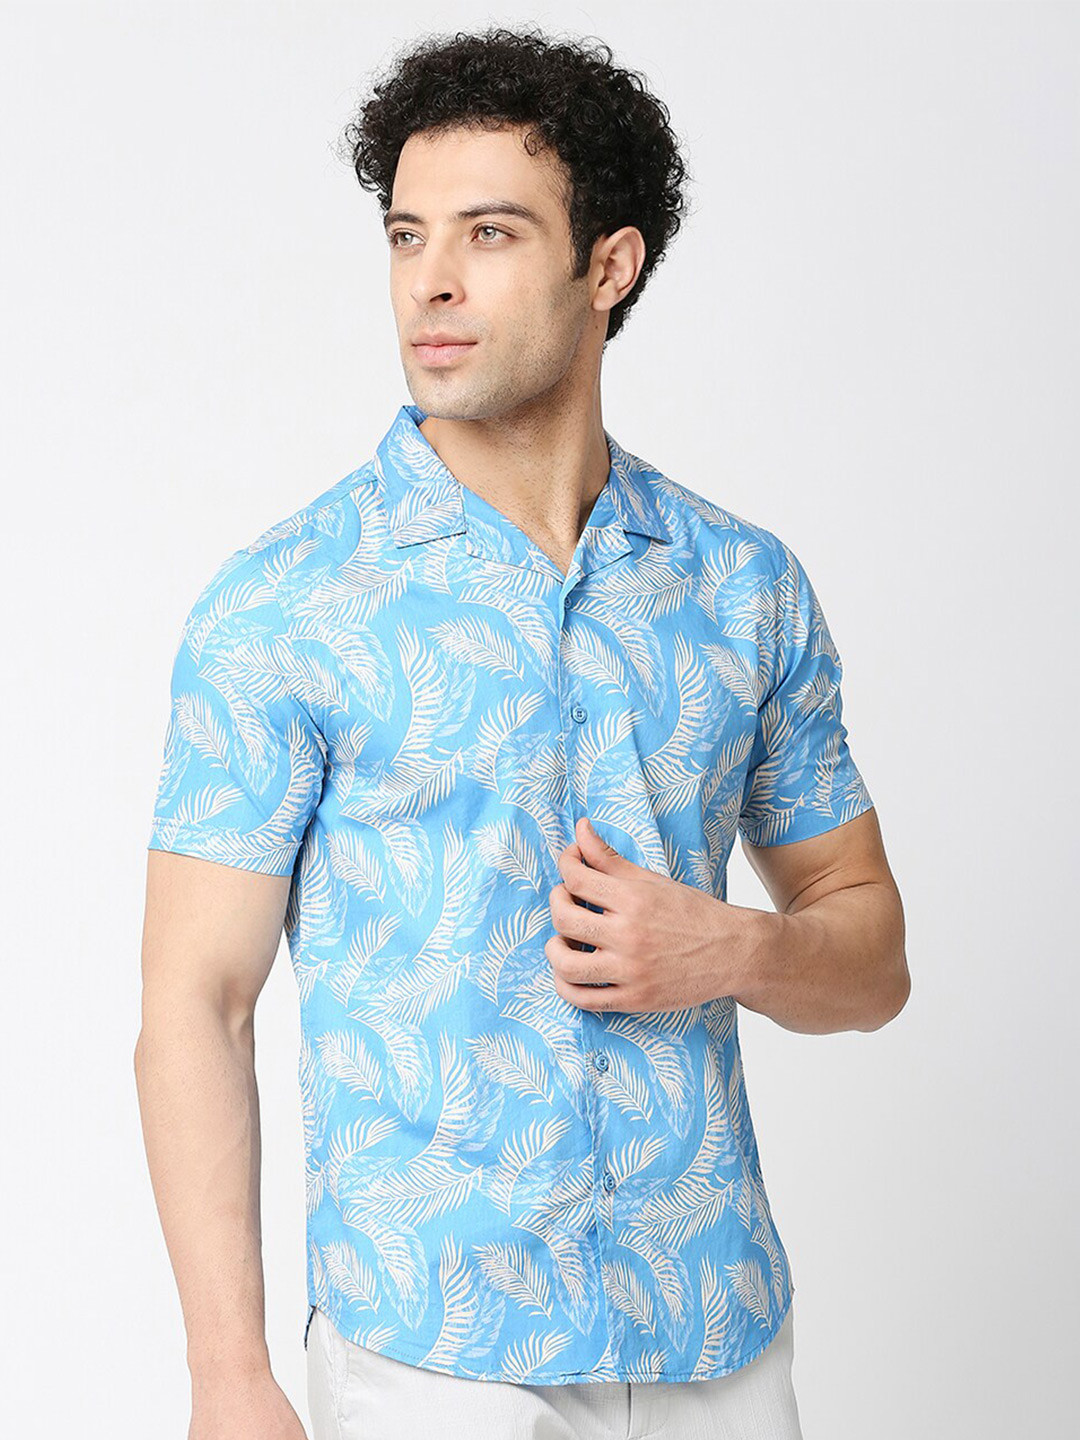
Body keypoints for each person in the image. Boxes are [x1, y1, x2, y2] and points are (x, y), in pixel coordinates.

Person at [134, 23, 909, 1440]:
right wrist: (226, 1375)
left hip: (716, 1327)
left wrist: (736, 949)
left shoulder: (744, 588)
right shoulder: (285, 607)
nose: (428, 280)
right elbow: (197, 1003)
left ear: (607, 267)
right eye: (407, 235)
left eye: (489, 234)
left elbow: (872, 961)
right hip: (434, 1352)